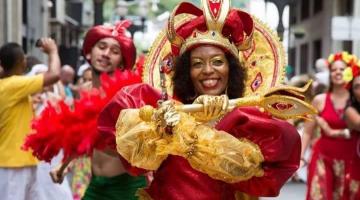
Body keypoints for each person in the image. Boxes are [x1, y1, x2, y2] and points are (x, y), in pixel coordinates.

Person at [97, 1, 311, 199]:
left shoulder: (248, 122)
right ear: (186, 72)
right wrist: (164, 128)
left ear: (231, 69)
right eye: (197, 63)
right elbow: (135, 163)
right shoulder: (166, 111)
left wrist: (195, 132)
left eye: (217, 62)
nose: (208, 71)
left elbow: (259, 178)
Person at [48, 20, 147, 200]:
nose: (106, 54)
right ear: (89, 52)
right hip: (95, 185)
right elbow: (80, 137)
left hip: (127, 187)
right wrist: (62, 166)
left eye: (115, 51)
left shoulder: (127, 96)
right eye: (101, 47)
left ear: (122, 63)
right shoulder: (84, 92)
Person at [0, 38, 61, 199]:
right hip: (13, 164)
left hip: (21, 161)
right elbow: (54, 75)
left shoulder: (8, 85)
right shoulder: (12, 84)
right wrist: (53, 51)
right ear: (21, 61)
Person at [301, 51, 356, 200]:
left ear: (349, 73)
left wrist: (333, 132)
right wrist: (301, 157)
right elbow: (307, 132)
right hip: (322, 159)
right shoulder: (319, 100)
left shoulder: (356, 100)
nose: (337, 72)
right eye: (333, 69)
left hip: (351, 161)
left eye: (342, 69)